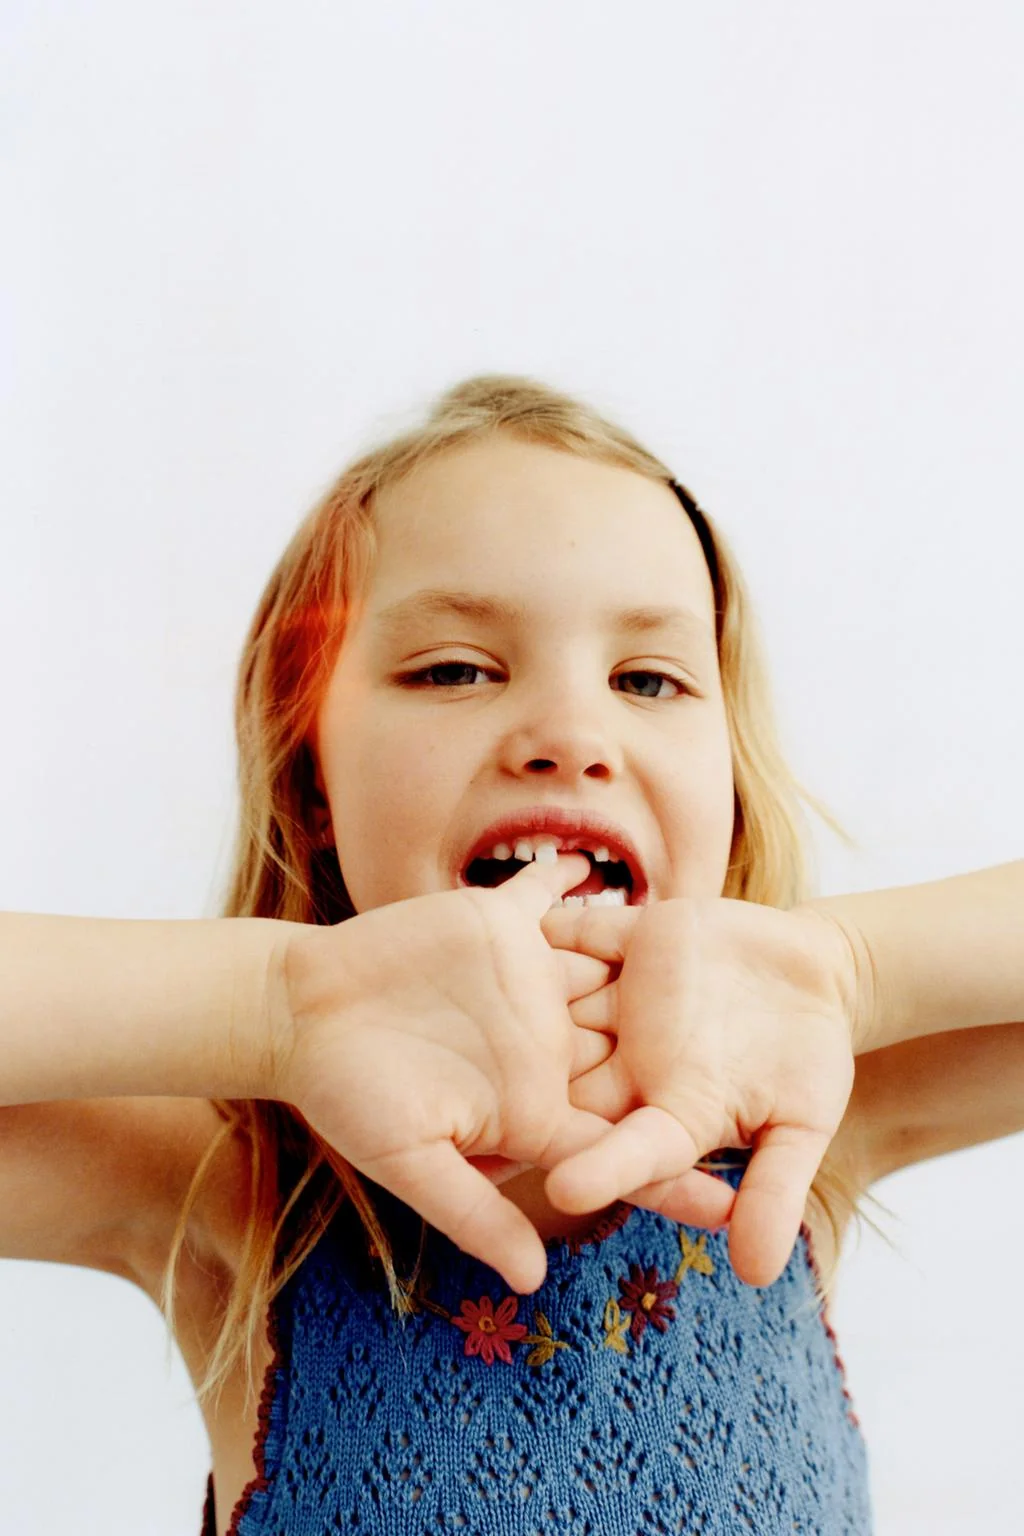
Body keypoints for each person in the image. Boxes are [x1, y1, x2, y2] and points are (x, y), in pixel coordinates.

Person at [2, 375, 1022, 1535]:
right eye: (452, 669)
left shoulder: (812, 1139)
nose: (572, 738)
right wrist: (276, 1007)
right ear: (310, 781)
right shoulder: (229, 1184)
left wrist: (853, 970)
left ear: (728, 791)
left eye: (648, 680)